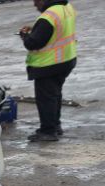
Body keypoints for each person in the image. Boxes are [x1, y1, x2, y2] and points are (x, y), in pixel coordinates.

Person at [19, 0, 77, 142]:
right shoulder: (66, 7)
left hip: (49, 64)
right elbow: (56, 30)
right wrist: (36, 30)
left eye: (36, 1)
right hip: (66, 59)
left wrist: (25, 36)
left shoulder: (48, 16)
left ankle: (48, 131)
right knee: (54, 95)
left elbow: (33, 43)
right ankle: (55, 126)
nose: (34, 4)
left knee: (46, 99)